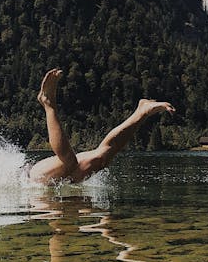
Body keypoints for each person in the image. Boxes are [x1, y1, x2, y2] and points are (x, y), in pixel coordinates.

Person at [29, 68, 175, 184]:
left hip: (30, 176)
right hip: (33, 182)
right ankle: (141, 112)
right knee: (101, 159)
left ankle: (48, 103)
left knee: (72, 161)